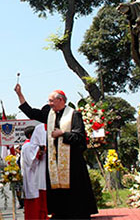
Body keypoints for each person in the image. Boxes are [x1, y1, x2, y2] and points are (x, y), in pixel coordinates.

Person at [14, 84, 98, 220]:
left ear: (61, 100)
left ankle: (78, 214)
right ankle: (60, 213)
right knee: (57, 192)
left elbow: (80, 137)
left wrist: (62, 134)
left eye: (51, 101)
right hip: (55, 162)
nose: (49, 104)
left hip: (72, 163)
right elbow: (31, 112)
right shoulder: (49, 115)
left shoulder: (74, 115)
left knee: (75, 192)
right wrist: (19, 94)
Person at [21, 123, 47, 219]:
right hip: (33, 179)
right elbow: (32, 160)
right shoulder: (28, 146)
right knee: (35, 208)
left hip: (35, 179)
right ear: (31, 136)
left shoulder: (29, 146)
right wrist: (41, 151)